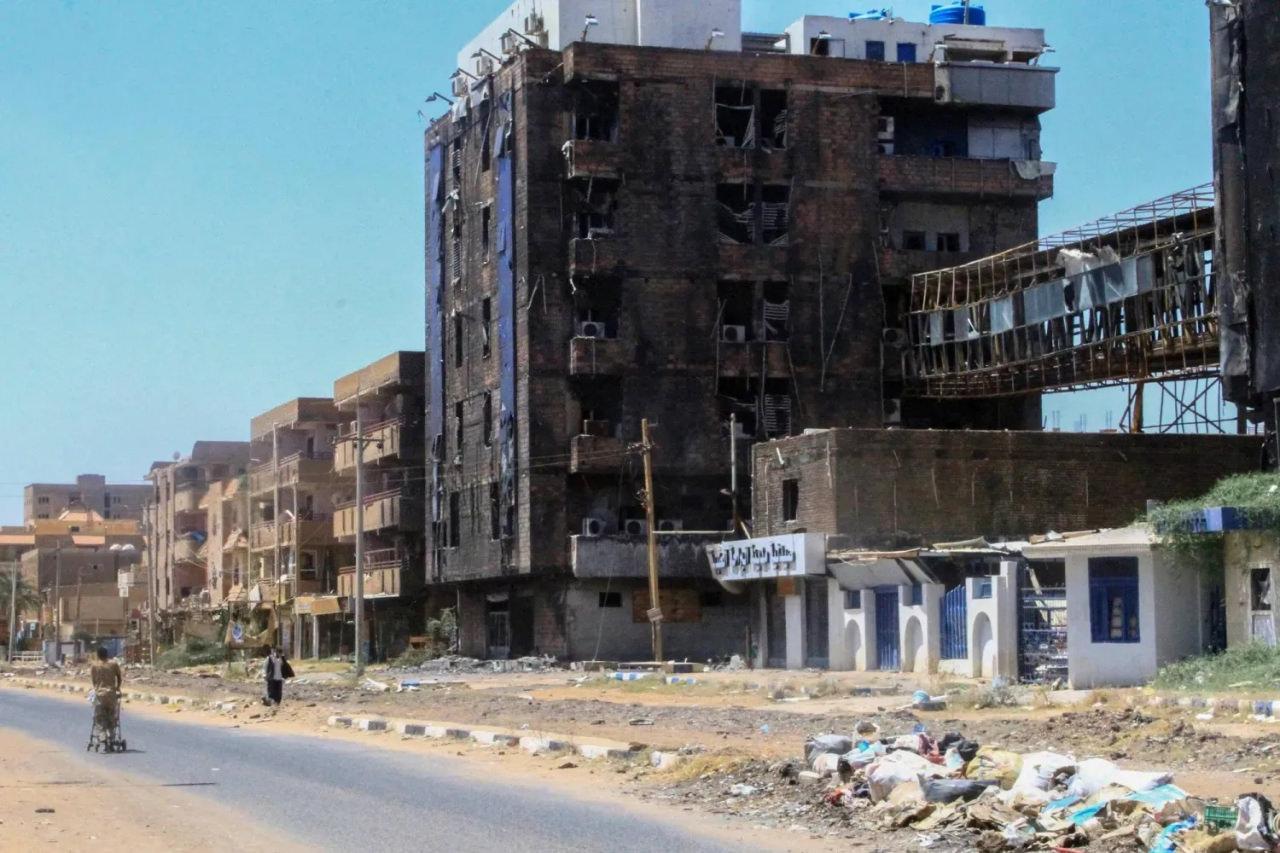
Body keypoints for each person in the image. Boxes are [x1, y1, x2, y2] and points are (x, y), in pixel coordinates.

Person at [90, 647, 123, 728]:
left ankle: (101, 726)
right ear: (107, 654)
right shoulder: (114, 664)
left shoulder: (94, 666)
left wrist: (96, 688)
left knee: (97, 712)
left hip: (99, 695)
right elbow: (119, 677)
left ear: (98, 655)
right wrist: (118, 688)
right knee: (112, 712)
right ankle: (112, 725)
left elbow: (94, 681)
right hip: (111, 694)